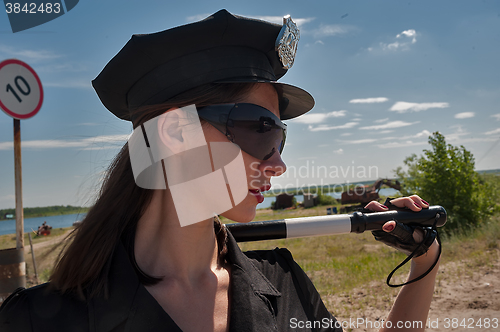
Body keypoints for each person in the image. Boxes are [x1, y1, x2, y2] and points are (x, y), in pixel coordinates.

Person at [0, 10, 440, 331]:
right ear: (174, 132)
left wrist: (426, 262)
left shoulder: (284, 283)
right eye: (259, 128)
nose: (279, 162)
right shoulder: (36, 322)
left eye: (280, 136)